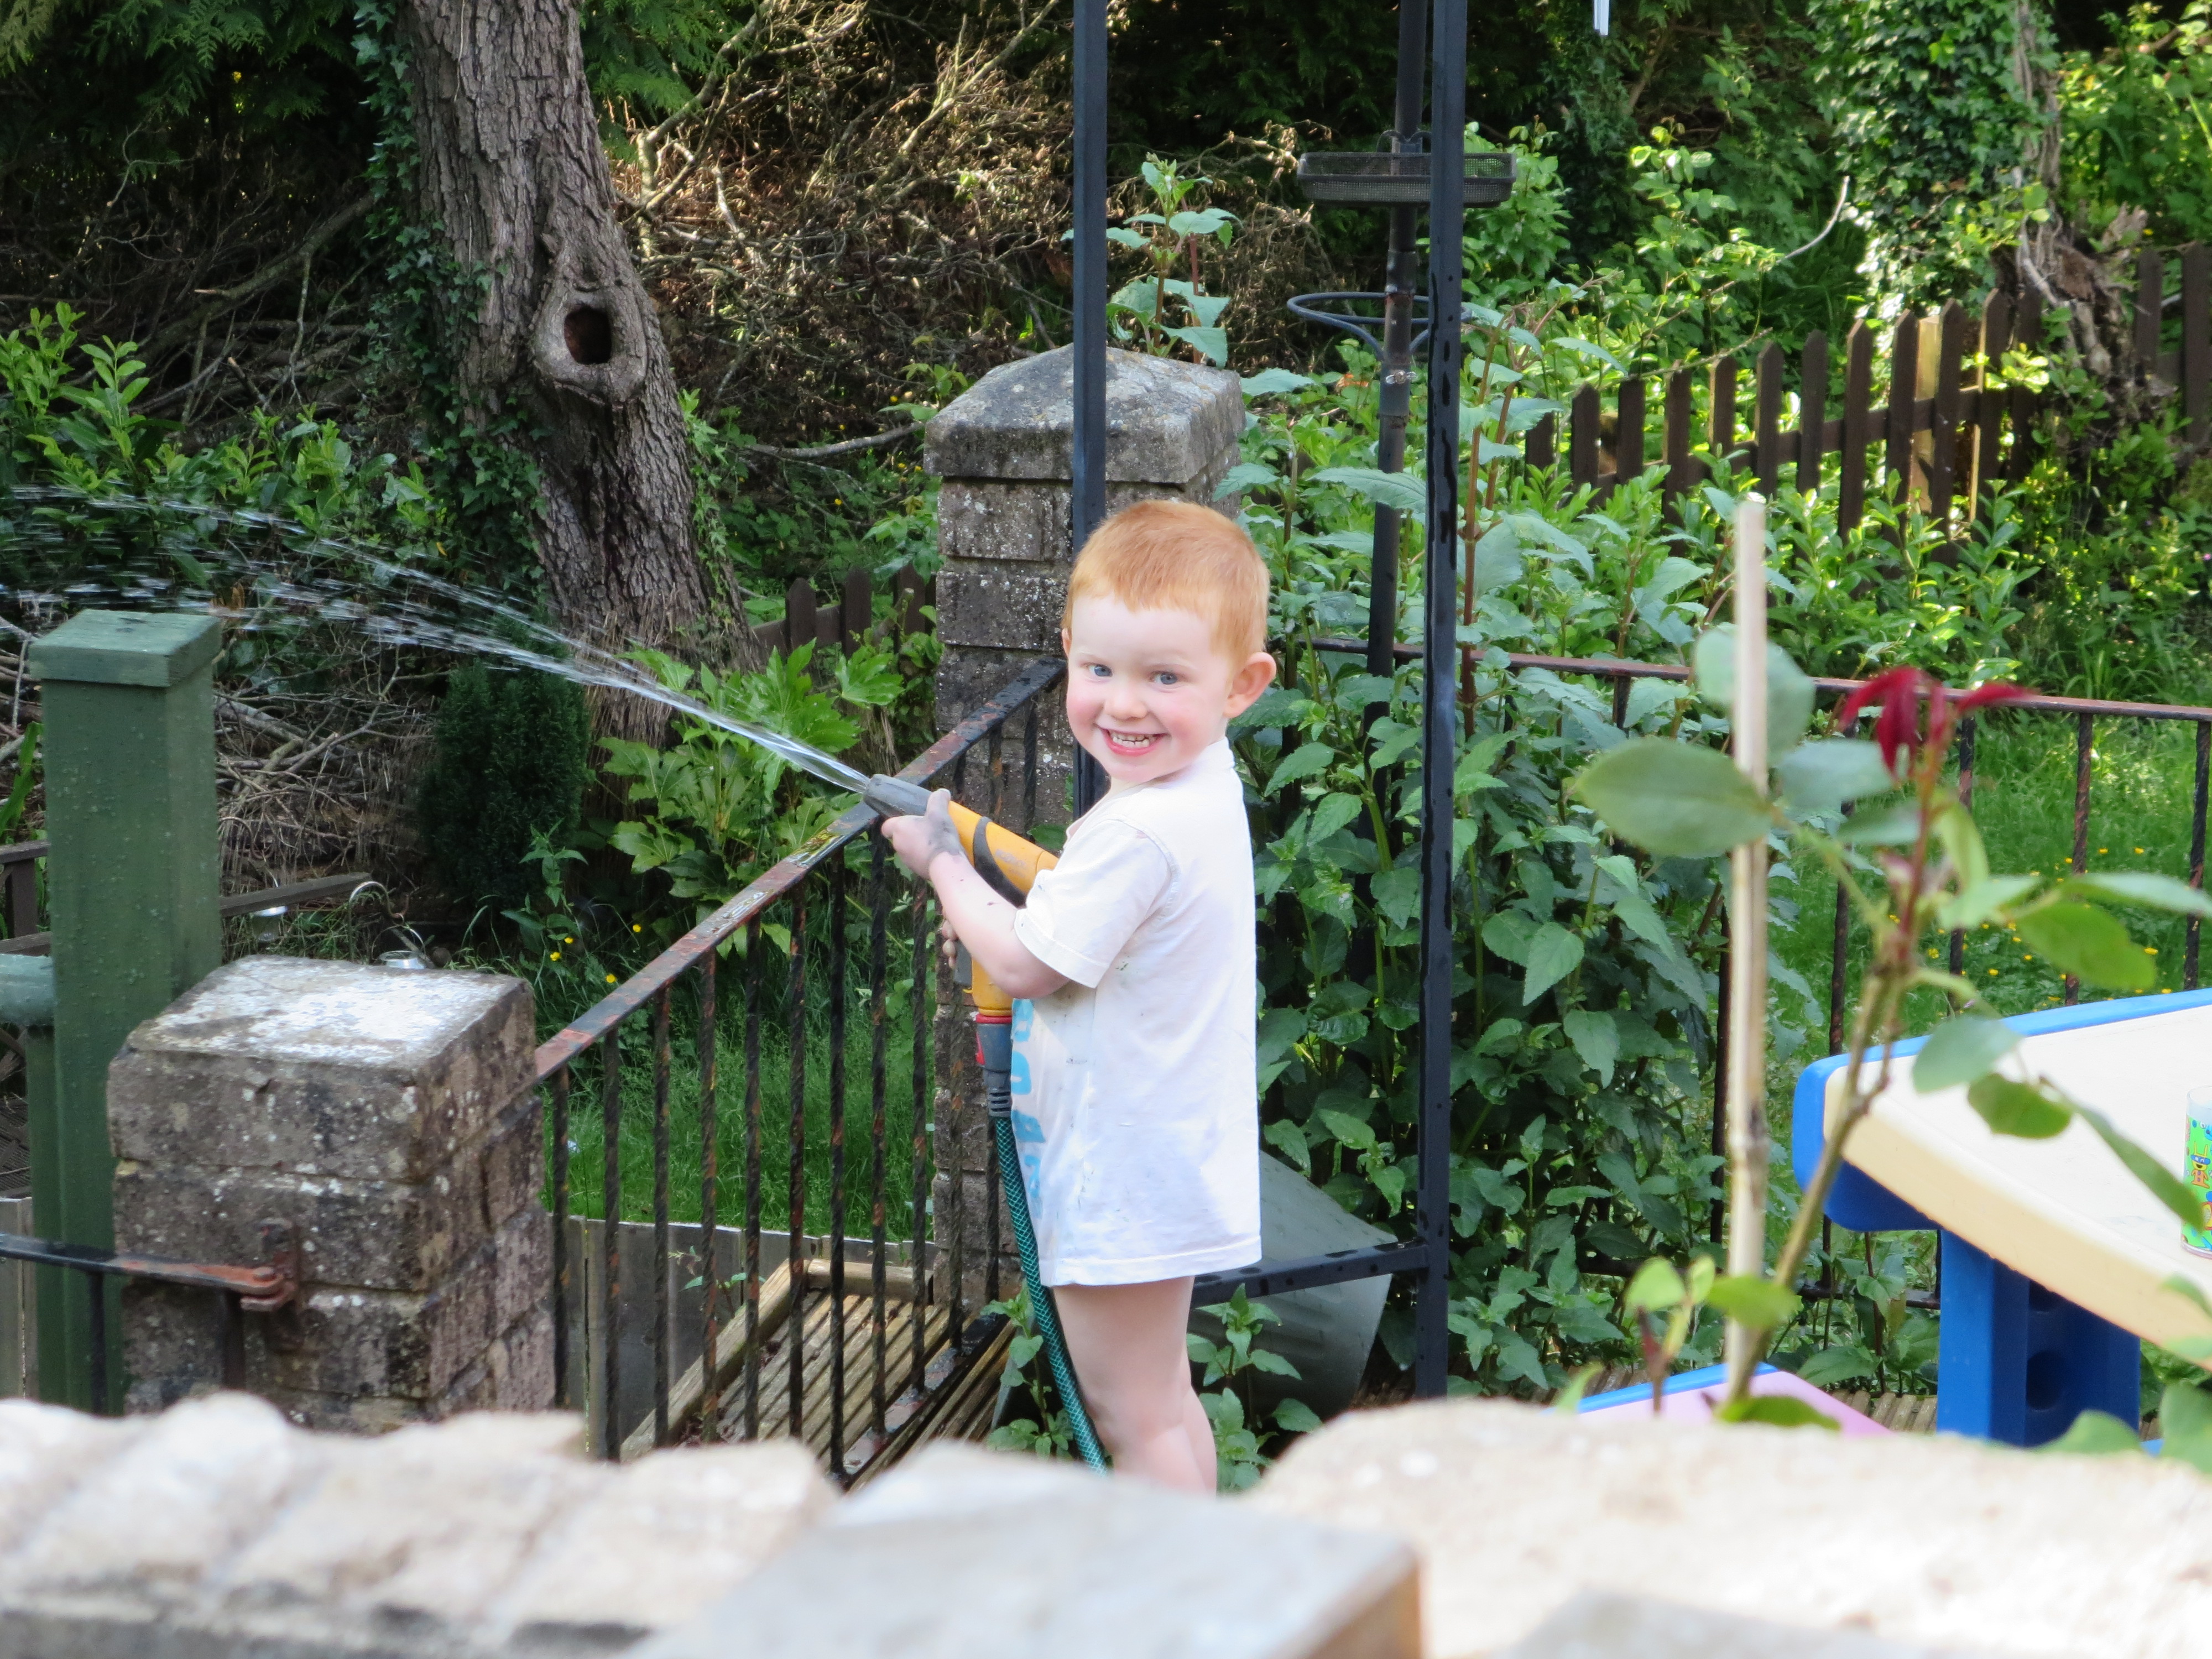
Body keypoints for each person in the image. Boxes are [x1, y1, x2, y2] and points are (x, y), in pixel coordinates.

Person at [881, 498, 1276, 1492]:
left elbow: (1026, 967)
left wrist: (944, 865)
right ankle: (1210, 1572)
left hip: (1122, 1170)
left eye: (1165, 678)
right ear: (1066, 650)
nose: (1126, 705)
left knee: (1132, 1419)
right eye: (1099, 669)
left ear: (1244, 685)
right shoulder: (1196, 786)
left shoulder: (1138, 829)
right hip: (1165, 1149)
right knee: (1164, 1401)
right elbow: (1098, 917)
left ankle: (1166, 1586)